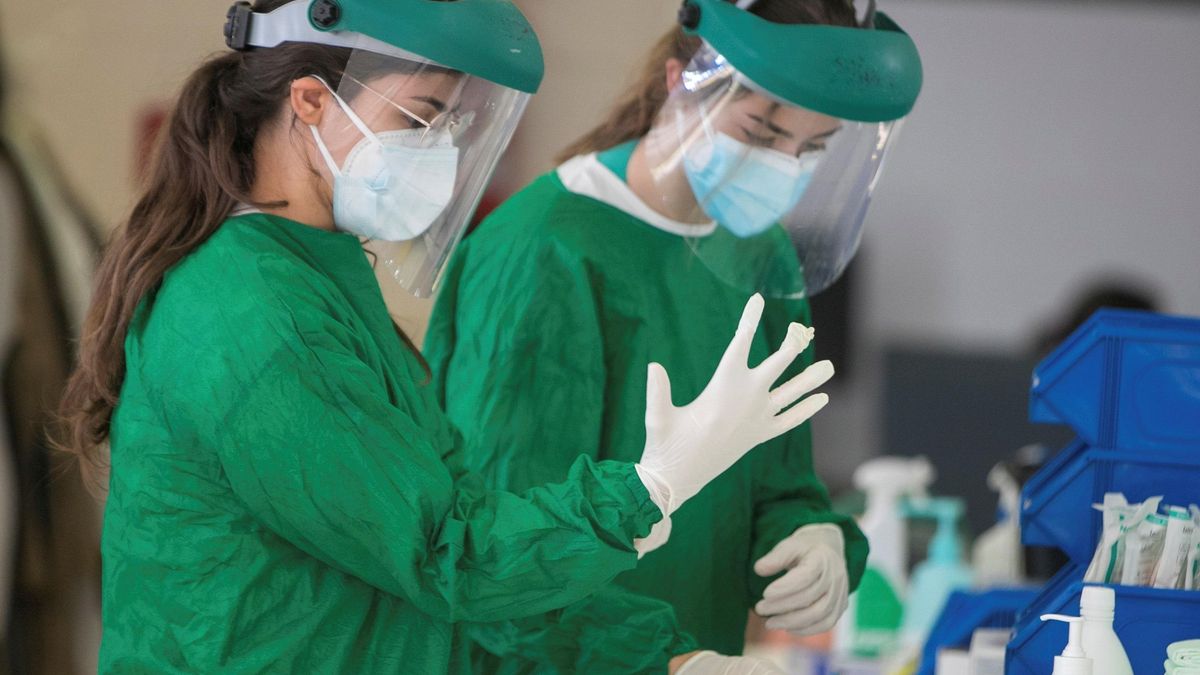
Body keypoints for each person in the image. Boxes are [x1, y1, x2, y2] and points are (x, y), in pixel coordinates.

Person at [53, 0, 837, 672]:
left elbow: (466, 554)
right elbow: (449, 556)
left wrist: (664, 656)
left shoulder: (318, 278)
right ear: (311, 101)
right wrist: (650, 485)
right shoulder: (254, 316)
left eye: (452, 122)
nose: (442, 149)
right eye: (421, 118)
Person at [424, 0, 923, 666]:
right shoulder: (542, 253)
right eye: (762, 132)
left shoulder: (760, 254)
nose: (783, 165)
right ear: (677, 82)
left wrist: (811, 538)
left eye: (812, 147)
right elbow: (499, 557)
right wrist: (664, 660)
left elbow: (777, 479)